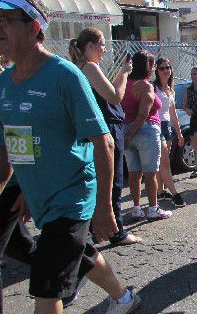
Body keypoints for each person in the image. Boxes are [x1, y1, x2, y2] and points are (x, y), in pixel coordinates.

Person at [0, 0, 141, 314]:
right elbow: (5, 145)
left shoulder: (65, 76)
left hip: (75, 193)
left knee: (47, 282)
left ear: (33, 28)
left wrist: (104, 208)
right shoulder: (5, 85)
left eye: (4, 23)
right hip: (41, 195)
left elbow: (103, 140)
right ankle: (123, 298)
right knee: (81, 254)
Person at [68, 27, 141, 244]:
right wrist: (125, 72)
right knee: (113, 180)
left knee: (97, 180)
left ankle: (96, 229)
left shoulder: (79, 67)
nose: (104, 49)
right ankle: (115, 231)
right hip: (106, 128)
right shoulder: (89, 67)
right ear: (89, 46)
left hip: (92, 130)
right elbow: (114, 96)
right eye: (101, 44)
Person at [122, 50, 171, 220]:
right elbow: (143, 114)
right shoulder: (145, 86)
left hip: (126, 129)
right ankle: (152, 208)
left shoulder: (123, 84)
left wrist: (127, 135)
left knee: (134, 173)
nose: (154, 68)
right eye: (152, 64)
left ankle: (136, 208)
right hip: (146, 130)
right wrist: (131, 134)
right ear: (148, 66)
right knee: (150, 173)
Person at [154, 57, 186, 206]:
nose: (166, 70)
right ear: (156, 71)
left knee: (163, 163)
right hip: (156, 125)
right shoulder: (153, 88)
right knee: (165, 162)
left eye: (168, 68)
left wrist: (179, 134)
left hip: (167, 127)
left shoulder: (170, 90)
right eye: (162, 68)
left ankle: (160, 192)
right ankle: (175, 194)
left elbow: (173, 114)